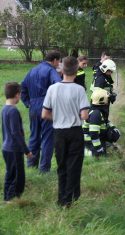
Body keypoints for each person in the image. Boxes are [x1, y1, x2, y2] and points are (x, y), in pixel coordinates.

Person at [42, 56, 90, 207]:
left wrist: (58, 118)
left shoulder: (52, 88)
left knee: (61, 165)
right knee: (74, 166)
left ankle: (61, 198)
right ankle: (70, 200)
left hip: (59, 132)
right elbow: (84, 115)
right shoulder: (79, 89)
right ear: (76, 70)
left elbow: (44, 114)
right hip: (75, 131)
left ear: (61, 70)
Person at [21, 50, 62, 173]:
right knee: (48, 138)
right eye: (59, 61)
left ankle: (31, 165)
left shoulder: (32, 70)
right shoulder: (51, 71)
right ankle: (44, 169)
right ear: (54, 60)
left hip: (33, 106)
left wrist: (28, 103)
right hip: (47, 107)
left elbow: (23, 87)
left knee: (34, 136)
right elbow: (58, 85)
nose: (59, 64)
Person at [2, 82, 32, 202]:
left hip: (6, 148)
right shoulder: (13, 111)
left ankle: (6, 198)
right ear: (17, 95)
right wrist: (26, 151)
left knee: (10, 174)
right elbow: (16, 133)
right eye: (20, 94)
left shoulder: (4, 109)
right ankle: (11, 199)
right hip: (14, 149)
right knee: (18, 176)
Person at [83, 88, 120, 157]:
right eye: (108, 99)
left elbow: (105, 122)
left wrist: (114, 129)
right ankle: (88, 153)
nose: (108, 101)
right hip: (91, 142)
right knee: (103, 156)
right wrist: (99, 149)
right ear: (102, 101)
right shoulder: (96, 114)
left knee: (113, 149)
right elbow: (93, 134)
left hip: (96, 140)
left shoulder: (97, 110)